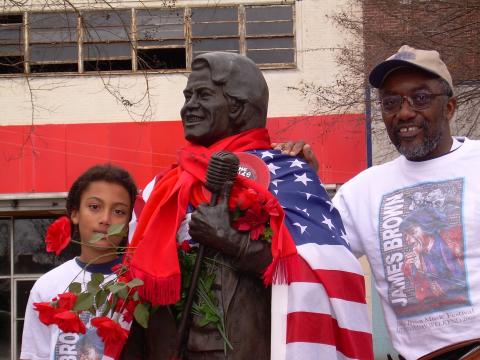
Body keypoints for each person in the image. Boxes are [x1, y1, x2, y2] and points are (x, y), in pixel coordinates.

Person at [121, 52, 372, 360]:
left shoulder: (288, 175)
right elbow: (131, 289)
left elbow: (322, 272)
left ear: (238, 106)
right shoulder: (162, 189)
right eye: (188, 96)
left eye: (203, 95)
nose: (189, 106)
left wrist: (231, 242)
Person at [329, 45, 480, 359]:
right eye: (390, 102)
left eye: (421, 99)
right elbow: (312, 255)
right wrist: (298, 177)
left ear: (450, 107)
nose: (405, 112)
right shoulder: (362, 191)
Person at [20, 164, 137, 360]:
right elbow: (35, 354)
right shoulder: (47, 285)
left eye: (119, 212)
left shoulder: (137, 284)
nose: (105, 219)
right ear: (75, 214)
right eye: (94, 207)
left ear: (127, 225)